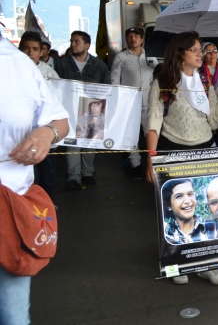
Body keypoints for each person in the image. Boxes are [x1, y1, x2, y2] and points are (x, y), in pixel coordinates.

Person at [146, 31, 218, 285]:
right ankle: (179, 262)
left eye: (202, 50)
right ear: (181, 53)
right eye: (196, 50)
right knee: (177, 208)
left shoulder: (204, 82)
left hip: (206, 150)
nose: (202, 54)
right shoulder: (162, 83)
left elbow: (214, 120)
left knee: (204, 207)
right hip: (173, 151)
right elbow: (153, 123)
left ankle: (205, 263)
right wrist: (150, 160)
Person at [0, 33, 69, 325]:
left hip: (11, 209)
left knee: (13, 316)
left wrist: (46, 134)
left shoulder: (18, 65)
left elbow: (60, 121)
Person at [55, 31, 110, 192]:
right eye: (71, 41)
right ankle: (74, 178)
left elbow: (107, 87)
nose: (72, 44)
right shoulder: (62, 64)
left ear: (87, 45)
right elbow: (57, 88)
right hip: (70, 112)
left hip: (92, 111)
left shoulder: (99, 65)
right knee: (72, 145)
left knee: (89, 144)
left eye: (76, 41)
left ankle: (87, 173)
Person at [19, 31, 60, 195]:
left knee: (47, 172)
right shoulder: (11, 70)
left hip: (45, 133)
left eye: (34, 49)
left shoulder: (50, 73)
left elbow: (59, 105)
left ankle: (45, 203)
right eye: (26, 49)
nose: (30, 53)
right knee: (27, 174)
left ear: (41, 51)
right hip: (21, 133)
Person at [111, 27, 155, 179]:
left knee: (152, 133)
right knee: (132, 136)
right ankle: (136, 166)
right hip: (130, 103)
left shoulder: (150, 57)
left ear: (142, 39)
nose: (133, 38)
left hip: (150, 102)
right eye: (129, 36)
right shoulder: (121, 58)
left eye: (136, 35)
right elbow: (115, 81)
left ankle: (153, 165)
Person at [162, 179, 212, 245]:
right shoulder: (166, 234)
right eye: (179, 196)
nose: (187, 201)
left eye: (190, 194)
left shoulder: (212, 229)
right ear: (169, 205)